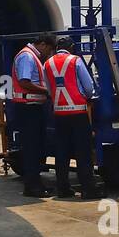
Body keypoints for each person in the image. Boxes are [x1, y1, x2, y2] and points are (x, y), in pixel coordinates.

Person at [43, 40, 101, 199]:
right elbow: (89, 86)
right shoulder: (75, 61)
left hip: (59, 113)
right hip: (78, 112)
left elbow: (48, 88)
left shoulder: (47, 64)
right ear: (71, 48)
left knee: (62, 152)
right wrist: (88, 97)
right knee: (83, 152)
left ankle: (63, 188)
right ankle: (87, 188)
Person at [11, 34, 57, 197]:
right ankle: (32, 187)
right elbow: (24, 81)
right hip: (28, 108)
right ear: (43, 44)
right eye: (49, 50)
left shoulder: (32, 56)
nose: (49, 54)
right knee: (31, 148)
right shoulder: (27, 57)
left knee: (36, 147)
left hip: (33, 107)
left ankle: (36, 183)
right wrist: (47, 91)